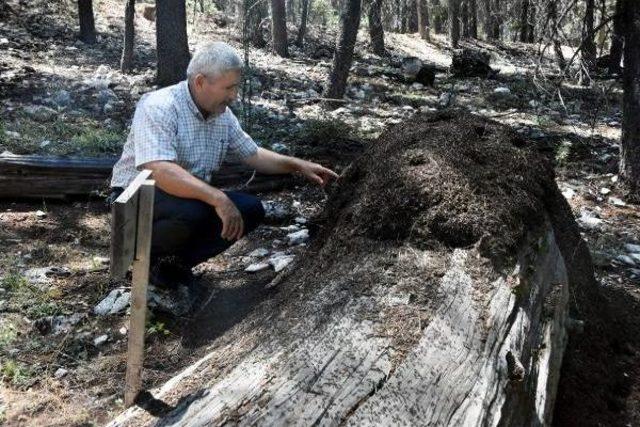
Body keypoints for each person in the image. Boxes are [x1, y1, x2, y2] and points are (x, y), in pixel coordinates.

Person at [110, 41, 338, 288]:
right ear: (200, 82)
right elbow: (159, 169)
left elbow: (252, 154)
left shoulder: (222, 115)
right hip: (134, 200)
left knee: (250, 210)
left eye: (236, 87)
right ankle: (143, 258)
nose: (233, 96)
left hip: (187, 199)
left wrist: (297, 165)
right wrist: (218, 198)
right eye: (228, 88)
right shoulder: (160, 106)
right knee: (194, 211)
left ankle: (173, 265)